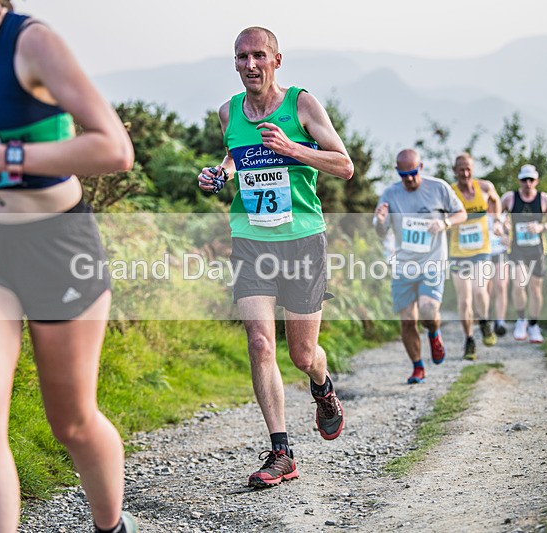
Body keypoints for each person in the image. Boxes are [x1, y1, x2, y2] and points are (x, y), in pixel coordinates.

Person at [0, 1, 137, 532]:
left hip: (57, 243)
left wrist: (5, 158)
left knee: (72, 423)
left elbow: (114, 148)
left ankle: (111, 525)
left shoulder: (32, 43)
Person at [197, 27, 353, 489]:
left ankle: (323, 388)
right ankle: (281, 451)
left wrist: (292, 148)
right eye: (241, 57)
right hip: (251, 238)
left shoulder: (301, 104)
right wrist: (219, 174)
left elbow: (343, 165)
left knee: (303, 354)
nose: (249, 65)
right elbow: (236, 153)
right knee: (261, 343)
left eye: (258, 56)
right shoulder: (229, 111)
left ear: (277, 60)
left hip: (302, 239)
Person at [374, 149, 466, 384]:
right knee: (407, 319)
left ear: (421, 167)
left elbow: (461, 214)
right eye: (404, 175)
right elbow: (380, 232)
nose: (410, 179)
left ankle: (434, 334)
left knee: (427, 310)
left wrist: (444, 222)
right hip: (403, 265)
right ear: (398, 172)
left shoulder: (439, 188)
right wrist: (381, 221)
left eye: (413, 173)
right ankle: (417, 367)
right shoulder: (390, 193)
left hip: (432, 262)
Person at [448, 153, 503, 360]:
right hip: (458, 254)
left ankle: (485, 321)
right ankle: (469, 339)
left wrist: (496, 221)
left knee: (480, 291)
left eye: (469, 168)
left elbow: (496, 201)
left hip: (482, 250)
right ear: (455, 170)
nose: (465, 173)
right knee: (464, 300)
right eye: (461, 169)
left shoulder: (485, 187)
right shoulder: (450, 193)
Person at [500, 164, 547, 343]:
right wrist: (502, 229)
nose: (528, 183)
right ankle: (521, 319)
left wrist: (541, 226)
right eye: (524, 180)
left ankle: (534, 325)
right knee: (519, 285)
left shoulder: (544, 199)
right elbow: (496, 216)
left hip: (537, 250)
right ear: (519, 180)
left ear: (536, 181)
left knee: (535, 289)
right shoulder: (510, 198)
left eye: (531, 180)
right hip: (517, 249)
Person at [487, 211, 510, 336]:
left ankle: (500, 322)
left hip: (500, 253)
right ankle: (486, 319)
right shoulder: (478, 212)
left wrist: (507, 237)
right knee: (487, 290)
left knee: (501, 286)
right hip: (484, 255)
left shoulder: (504, 214)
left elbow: (511, 235)